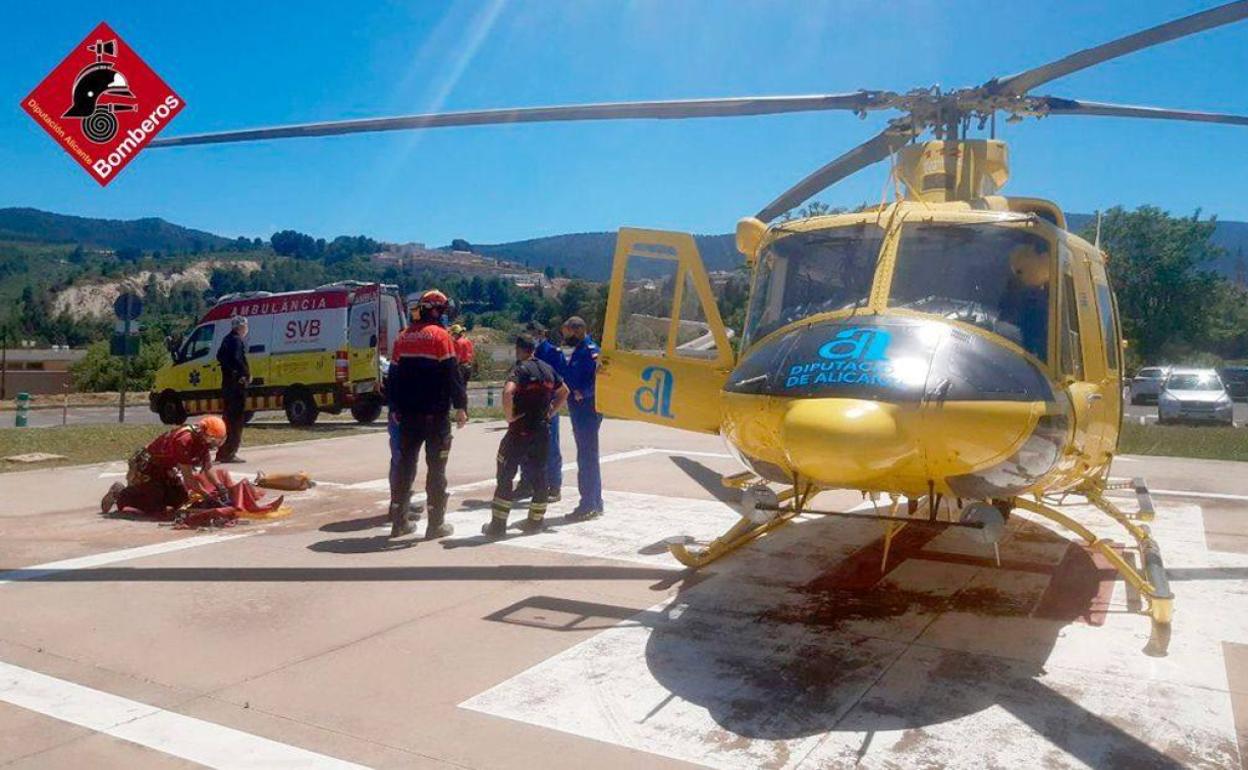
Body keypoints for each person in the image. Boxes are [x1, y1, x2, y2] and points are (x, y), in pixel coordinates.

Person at [387, 289, 468, 539]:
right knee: (436, 469)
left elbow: (393, 378)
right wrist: (461, 407)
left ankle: (399, 523)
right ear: (436, 311)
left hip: (408, 416)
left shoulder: (403, 337)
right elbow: (452, 375)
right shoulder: (441, 337)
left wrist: (394, 408)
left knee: (405, 467)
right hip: (436, 416)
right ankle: (435, 525)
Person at [482, 334, 569, 538]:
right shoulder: (548, 369)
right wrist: (551, 412)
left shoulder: (520, 369)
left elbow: (507, 392)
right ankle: (535, 522)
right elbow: (564, 391)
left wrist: (509, 416)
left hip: (520, 431)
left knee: (505, 475)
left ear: (519, 350)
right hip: (542, 430)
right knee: (540, 476)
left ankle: (498, 526)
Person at [101, 416, 226, 516]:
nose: (214, 444)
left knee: (180, 500)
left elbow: (208, 467)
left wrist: (220, 487)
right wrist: (207, 496)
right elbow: (189, 479)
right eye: (212, 439)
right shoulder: (184, 440)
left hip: (165, 468)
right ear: (202, 432)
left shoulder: (202, 442)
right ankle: (120, 494)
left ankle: (156, 495)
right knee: (155, 507)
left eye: (218, 441)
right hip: (147, 467)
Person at [515, 321, 567, 502]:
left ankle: (554, 486)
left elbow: (561, 382)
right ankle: (526, 484)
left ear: (541, 333)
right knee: (524, 447)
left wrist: (552, 407)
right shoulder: (527, 353)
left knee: (550, 447)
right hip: (528, 408)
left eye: (534, 333)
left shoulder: (553, 353)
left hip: (547, 407)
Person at [562, 316, 604, 520]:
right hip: (579, 410)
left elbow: (601, 377)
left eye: (567, 332)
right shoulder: (580, 350)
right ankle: (595, 502)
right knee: (587, 455)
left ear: (577, 330)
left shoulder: (590, 351)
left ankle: (589, 504)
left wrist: (584, 392)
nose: (566, 337)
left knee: (587, 457)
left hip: (587, 409)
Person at [215, 315, 250, 463]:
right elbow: (237, 360)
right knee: (236, 421)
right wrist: (243, 374)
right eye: (245, 326)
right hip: (236, 386)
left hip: (227, 385)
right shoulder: (236, 340)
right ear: (240, 327)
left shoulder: (226, 339)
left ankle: (222, 451)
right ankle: (230, 452)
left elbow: (219, 357)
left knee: (228, 419)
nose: (246, 329)